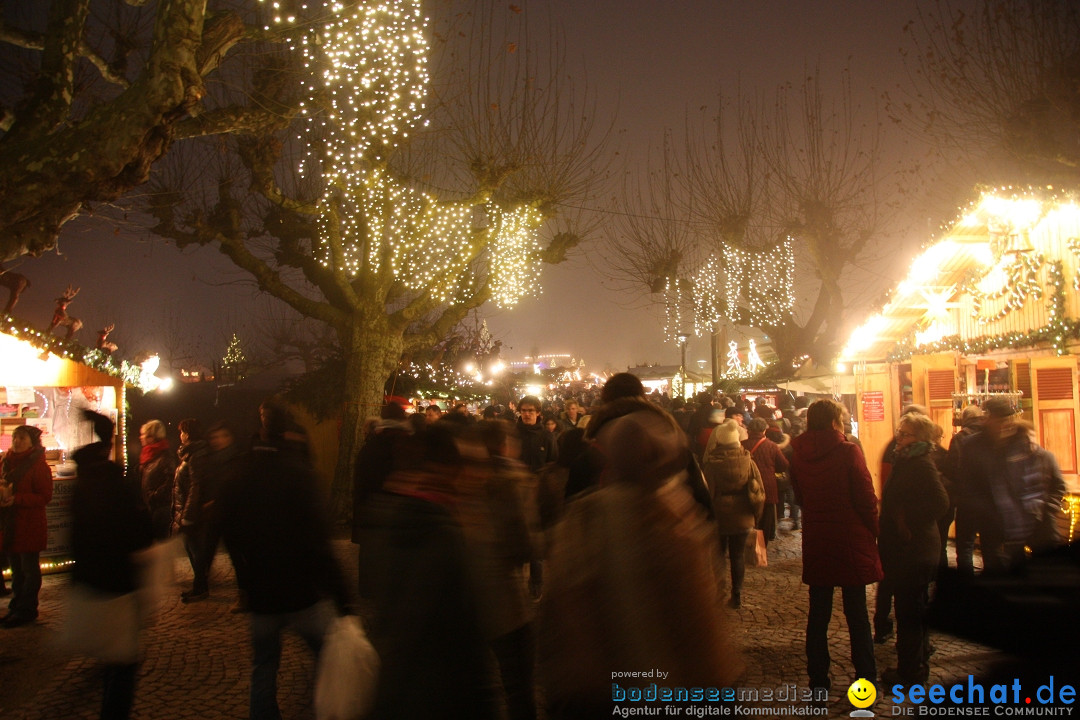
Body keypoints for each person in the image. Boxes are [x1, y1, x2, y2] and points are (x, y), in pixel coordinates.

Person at [538, 407, 741, 718]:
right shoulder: (674, 523)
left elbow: (559, 614)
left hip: (599, 696)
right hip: (662, 696)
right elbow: (702, 635)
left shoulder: (582, 518)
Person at [218, 406, 353, 720]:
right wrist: (344, 601)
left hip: (261, 594)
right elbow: (320, 543)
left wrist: (244, 580)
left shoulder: (240, 474)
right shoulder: (300, 475)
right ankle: (327, 709)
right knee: (326, 656)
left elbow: (227, 531)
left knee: (263, 667)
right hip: (301, 593)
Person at [355, 423, 498, 719]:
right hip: (438, 695)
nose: (476, 476)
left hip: (397, 692)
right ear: (445, 469)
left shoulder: (388, 512)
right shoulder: (441, 533)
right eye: (466, 466)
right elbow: (461, 636)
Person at [790, 399, 881, 694]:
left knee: (818, 614)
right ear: (834, 422)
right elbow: (866, 498)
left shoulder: (798, 453)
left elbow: (800, 496)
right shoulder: (848, 451)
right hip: (850, 538)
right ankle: (865, 677)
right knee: (856, 613)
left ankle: (818, 680)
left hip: (818, 538)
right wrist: (875, 530)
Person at [70, 410, 154, 719]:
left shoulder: (81, 489)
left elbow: (76, 537)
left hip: (91, 581)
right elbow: (141, 533)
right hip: (120, 583)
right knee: (123, 661)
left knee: (110, 656)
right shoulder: (118, 486)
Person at [877, 413, 950, 686]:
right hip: (906, 550)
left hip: (915, 550)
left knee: (910, 612)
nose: (900, 437)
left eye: (906, 433)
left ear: (920, 439)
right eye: (899, 431)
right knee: (911, 609)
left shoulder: (920, 463)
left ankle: (911, 672)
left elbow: (940, 502)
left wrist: (907, 519)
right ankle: (914, 664)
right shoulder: (906, 460)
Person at [959, 397, 1066, 573]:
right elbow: (968, 485)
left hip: (1029, 521)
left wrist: (1046, 508)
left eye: (1008, 420)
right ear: (988, 419)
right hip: (992, 523)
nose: (1004, 425)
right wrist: (985, 513)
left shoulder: (1023, 443)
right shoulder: (972, 446)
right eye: (1000, 420)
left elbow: (1046, 481)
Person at [702, 418, 765, 609]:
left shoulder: (712, 464)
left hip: (719, 515)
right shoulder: (748, 460)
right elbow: (759, 491)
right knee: (737, 556)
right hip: (743, 515)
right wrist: (756, 516)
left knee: (718, 556)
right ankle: (736, 594)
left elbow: (707, 493)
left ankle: (719, 592)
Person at [0, 425, 53, 627]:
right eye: (15, 437)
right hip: (10, 524)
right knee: (16, 570)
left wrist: (17, 499)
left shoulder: (38, 466)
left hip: (29, 524)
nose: (17, 441)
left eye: (22, 438)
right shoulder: (6, 462)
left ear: (32, 442)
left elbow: (44, 496)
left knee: (29, 570)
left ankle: (27, 609)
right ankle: (16, 607)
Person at [172, 418, 211, 602]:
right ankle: (199, 584)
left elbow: (196, 485)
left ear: (188, 434)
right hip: (189, 509)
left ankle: (201, 586)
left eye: (182, 432)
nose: (180, 435)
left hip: (193, 511)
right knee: (191, 546)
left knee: (195, 547)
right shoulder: (189, 454)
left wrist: (188, 515)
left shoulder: (196, 455)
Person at [743, 417, 789, 545]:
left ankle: (749, 545)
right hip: (767, 487)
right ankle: (762, 547)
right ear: (764, 430)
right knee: (766, 518)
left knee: (749, 516)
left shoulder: (742, 445)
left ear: (749, 430)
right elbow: (783, 464)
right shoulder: (772, 446)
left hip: (747, 486)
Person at [138, 419, 175, 541]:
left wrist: (154, 495)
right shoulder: (149, 455)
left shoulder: (164, 456)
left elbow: (170, 480)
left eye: (143, 434)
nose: (140, 437)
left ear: (152, 437)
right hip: (151, 506)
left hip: (161, 508)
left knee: (160, 544)